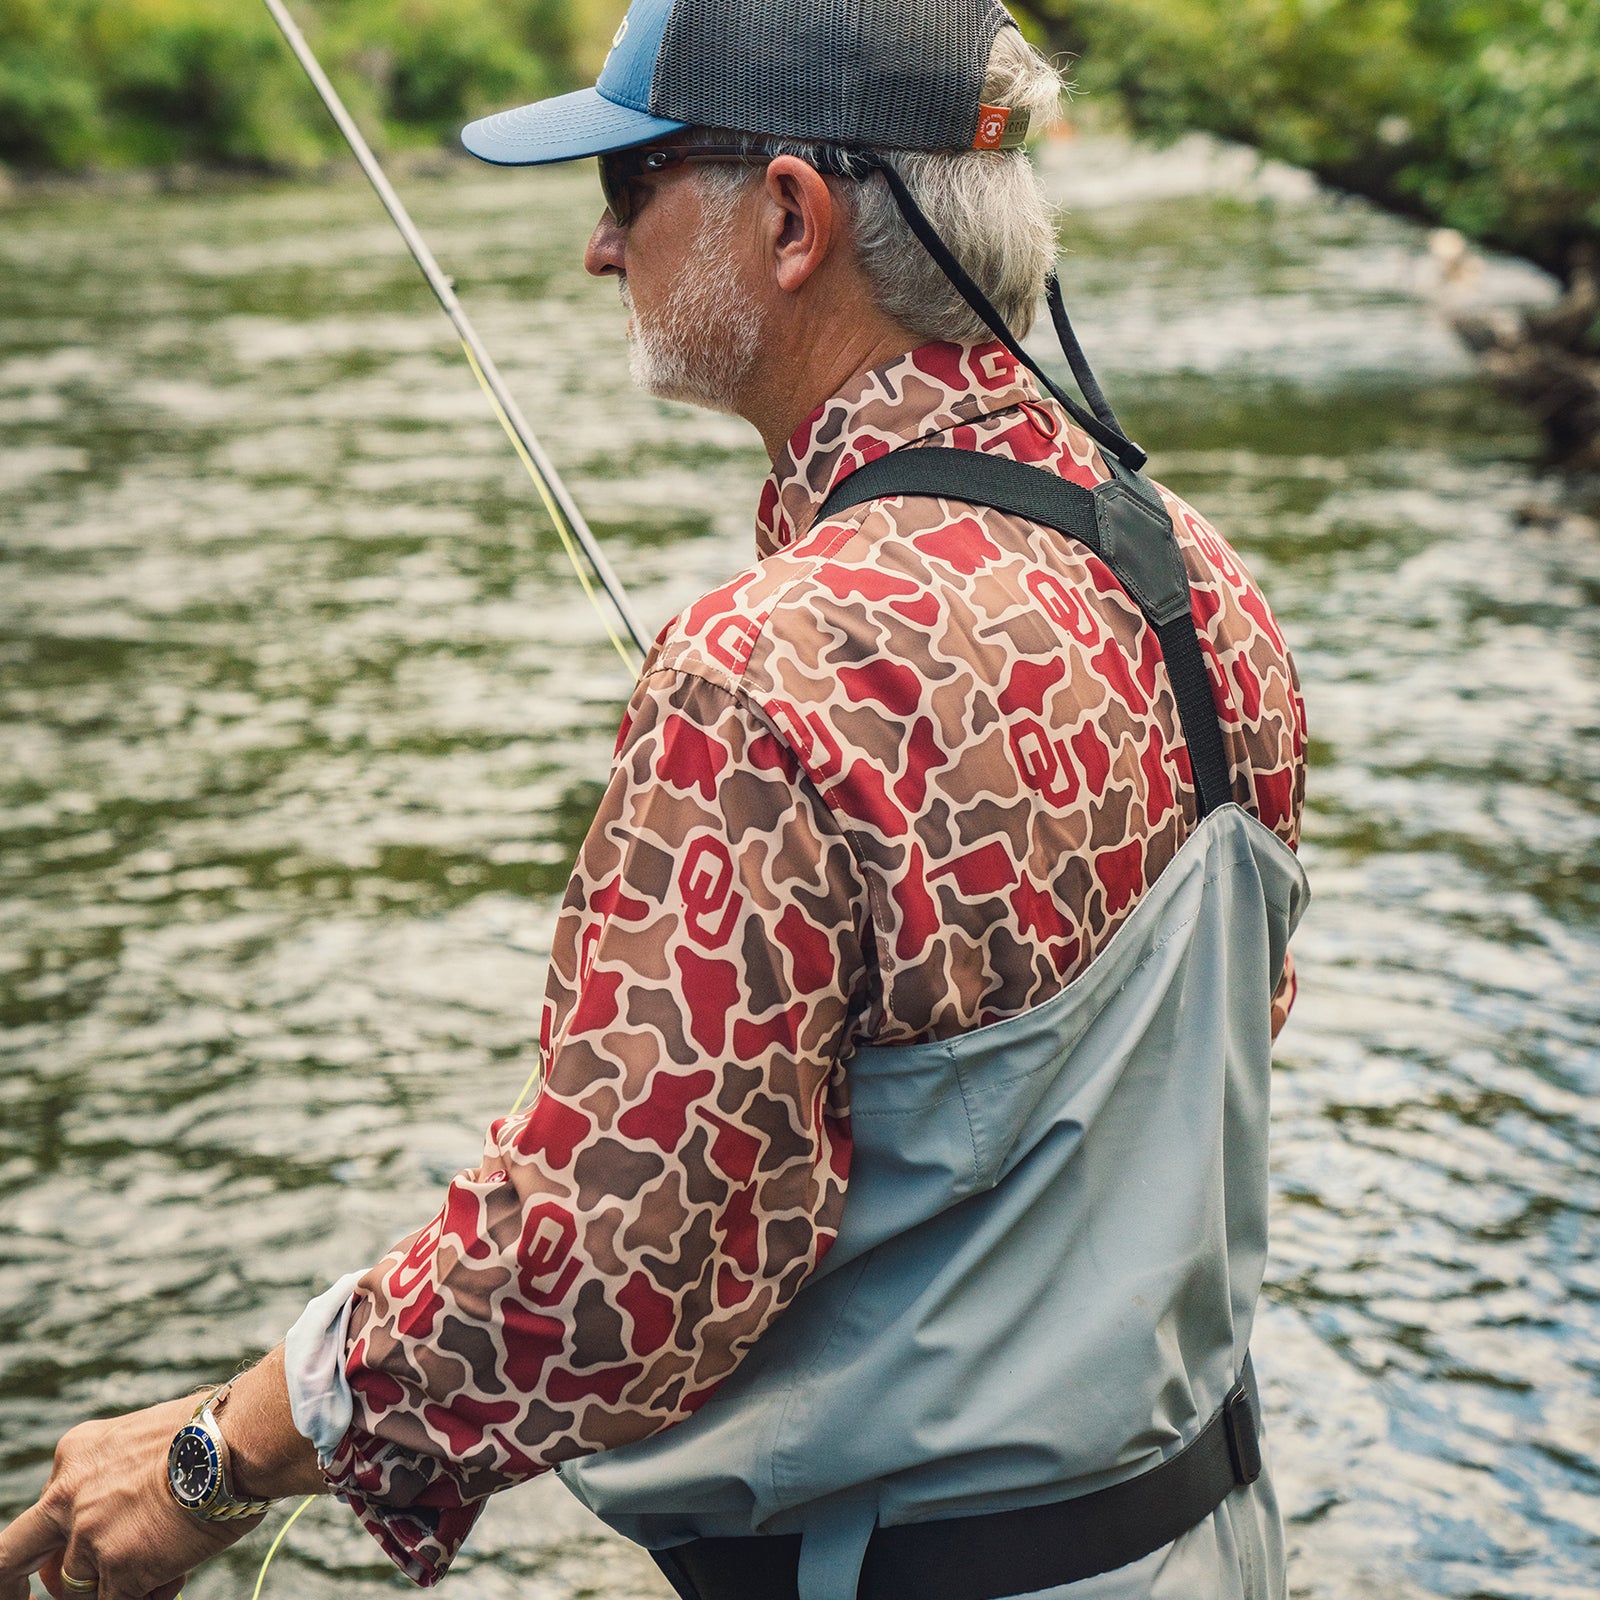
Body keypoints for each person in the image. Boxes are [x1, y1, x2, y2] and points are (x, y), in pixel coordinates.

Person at [0, 3, 1309, 1599]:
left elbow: (610, 1260)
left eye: (626, 186)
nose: (598, 251)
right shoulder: (1198, 582)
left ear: (789, 218)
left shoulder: (764, 672)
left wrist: (218, 1451)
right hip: (1209, 1544)